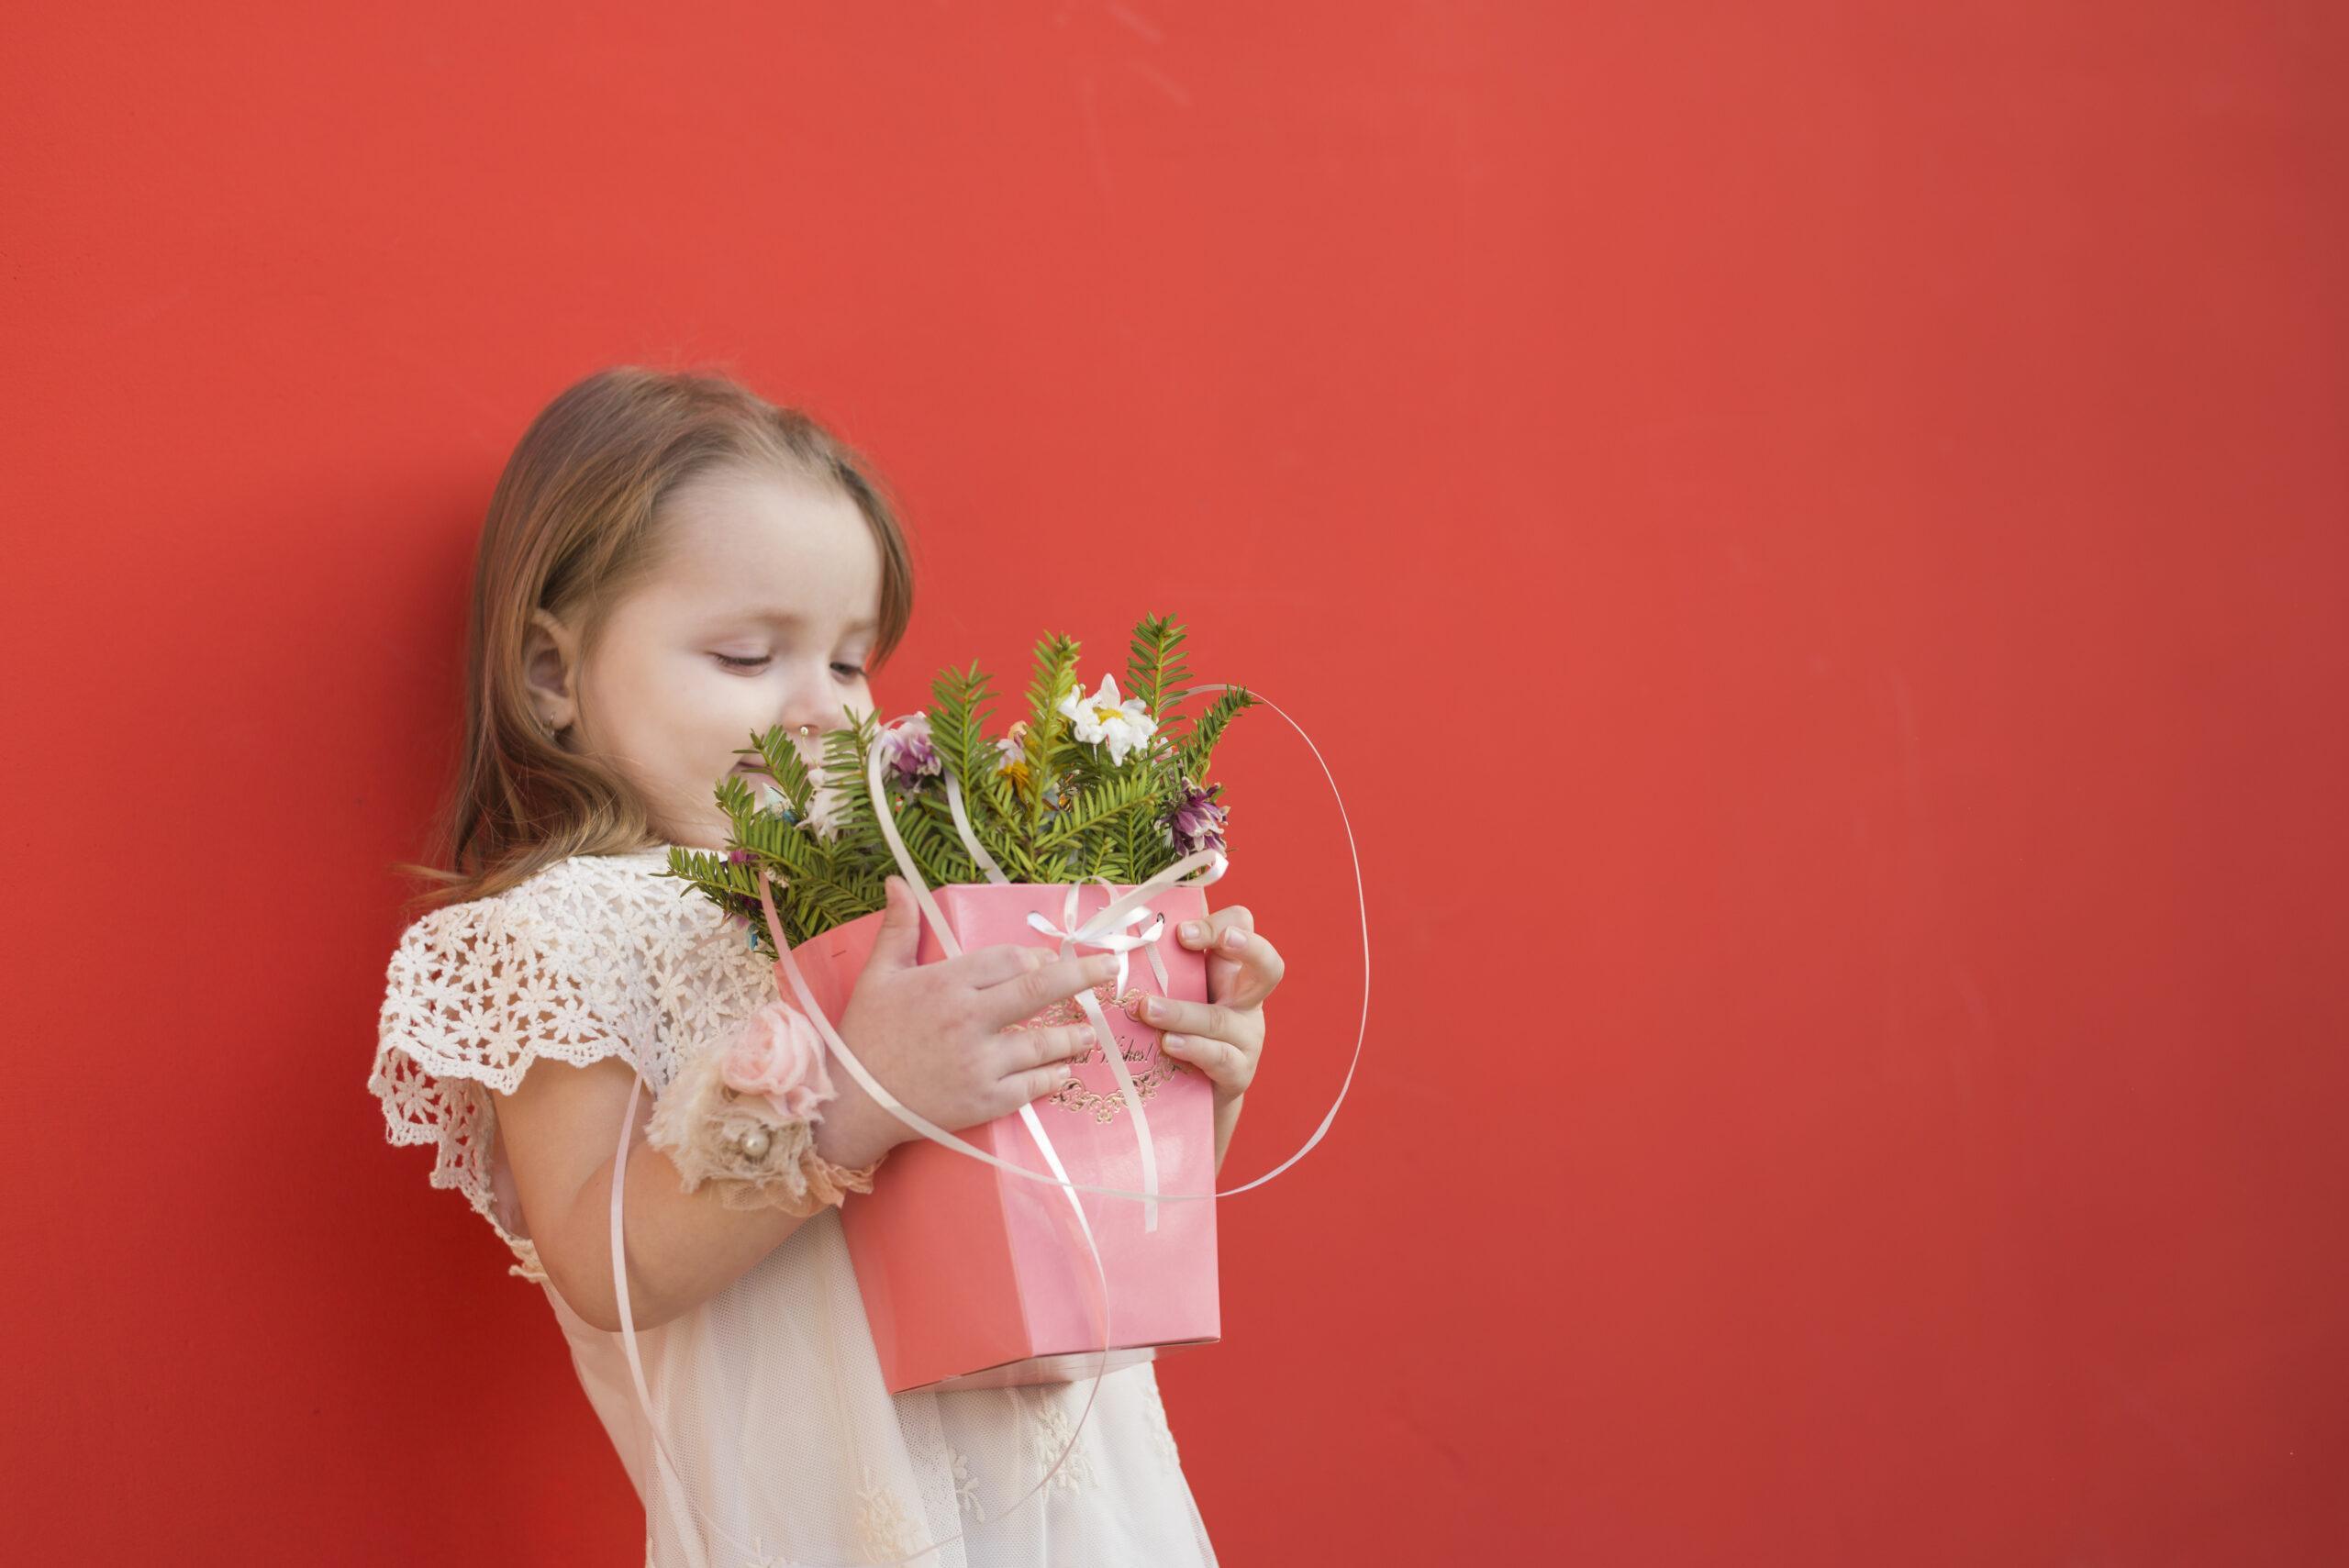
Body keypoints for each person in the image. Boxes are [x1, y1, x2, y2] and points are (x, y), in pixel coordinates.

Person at [366, 366, 1284, 1567]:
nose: (824, 712)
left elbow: (1072, 1230)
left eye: (851, 663)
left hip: (1084, 1521)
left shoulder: (908, 892)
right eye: (748, 657)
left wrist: (1172, 1072)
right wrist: (862, 1101)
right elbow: (607, 1268)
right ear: (553, 676)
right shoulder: (565, 932)